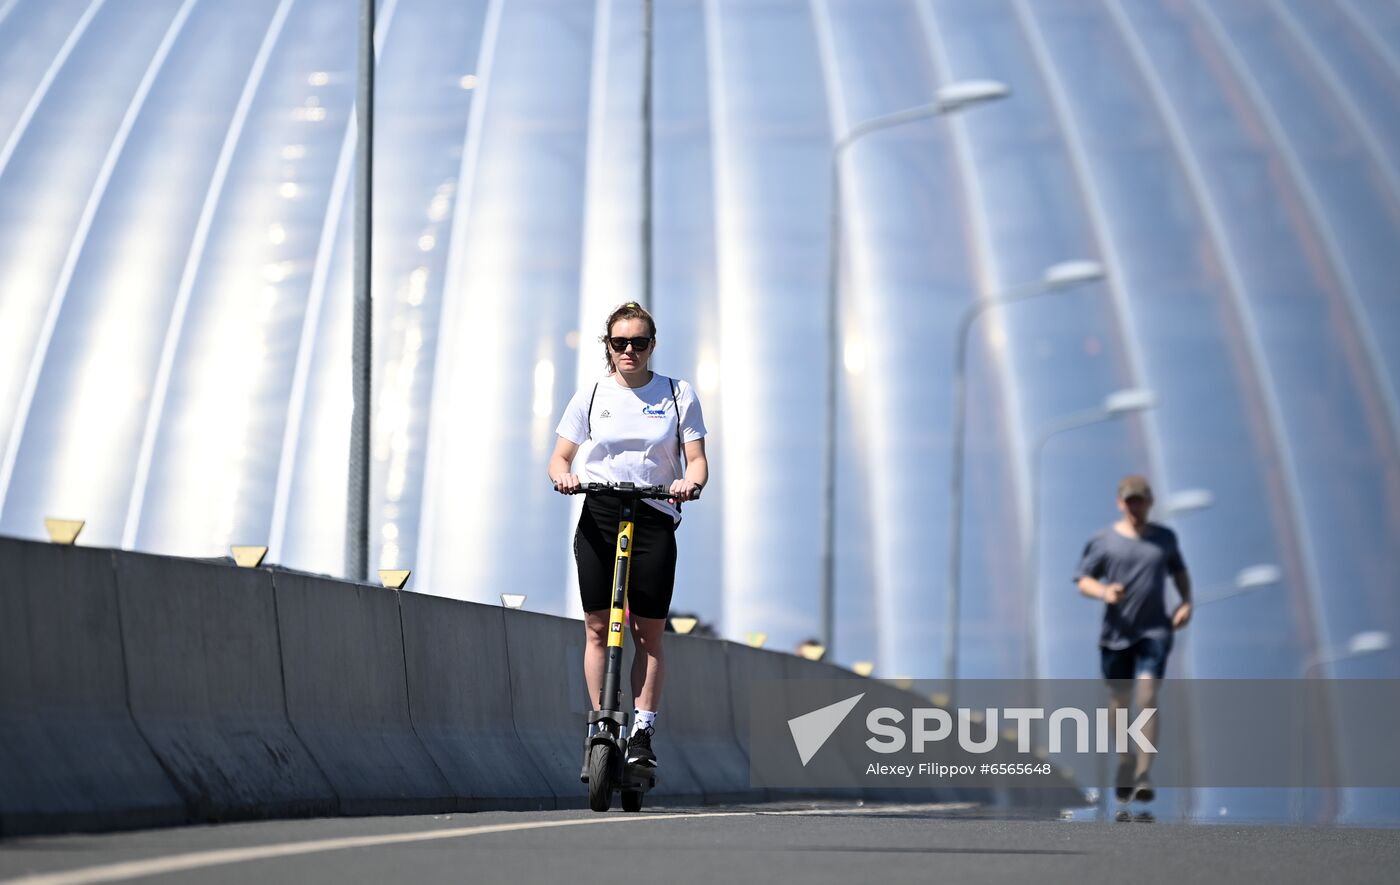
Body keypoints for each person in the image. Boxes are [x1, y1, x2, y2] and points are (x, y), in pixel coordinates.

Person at [548, 301, 709, 771]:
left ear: (652, 345)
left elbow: (696, 459)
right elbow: (559, 457)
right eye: (620, 343)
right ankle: (600, 722)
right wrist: (565, 477)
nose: (629, 351)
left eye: (639, 343)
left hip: (654, 511)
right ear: (608, 346)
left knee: (648, 633)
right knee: (598, 626)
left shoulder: (678, 394)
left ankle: (642, 731)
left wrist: (690, 482)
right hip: (601, 511)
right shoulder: (592, 396)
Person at [1073, 474, 1192, 814]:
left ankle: (1143, 773)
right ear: (1119, 503)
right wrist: (1104, 592)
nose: (1135, 506)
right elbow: (1083, 580)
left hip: (1154, 631)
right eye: (1130, 500)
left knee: (1148, 696)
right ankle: (1125, 757)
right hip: (1117, 634)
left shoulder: (1164, 539)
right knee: (1119, 700)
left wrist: (1186, 602)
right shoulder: (1104, 541)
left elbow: (1179, 571)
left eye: (1140, 500)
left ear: (1149, 502)